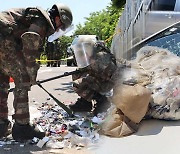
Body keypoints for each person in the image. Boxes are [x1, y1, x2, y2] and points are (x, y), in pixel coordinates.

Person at [0, 3, 73, 140]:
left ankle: (1, 126)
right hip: (4, 40)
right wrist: (31, 72)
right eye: (62, 25)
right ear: (57, 17)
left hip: (3, 39)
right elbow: (30, 40)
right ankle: (22, 128)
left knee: (1, 83)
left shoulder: (33, 16)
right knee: (23, 80)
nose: (60, 28)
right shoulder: (41, 19)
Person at [69, 39, 117, 115]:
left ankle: (102, 102)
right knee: (76, 75)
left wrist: (88, 78)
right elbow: (84, 69)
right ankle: (85, 103)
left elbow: (105, 75)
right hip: (103, 80)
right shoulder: (94, 55)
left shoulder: (101, 56)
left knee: (79, 84)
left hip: (109, 83)